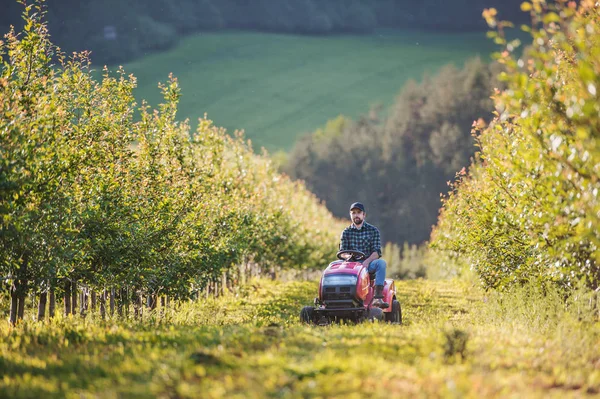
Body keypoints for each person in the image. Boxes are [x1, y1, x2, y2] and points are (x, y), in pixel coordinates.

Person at [339, 202, 388, 308]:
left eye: (358, 213)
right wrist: (349, 258)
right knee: (333, 266)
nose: (356, 215)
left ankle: (378, 297)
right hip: (351, 265)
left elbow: (376, 252)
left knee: (381, 263)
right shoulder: (346, 232)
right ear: (350, 215)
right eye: (353, 213)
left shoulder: (373, 231)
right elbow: (342, 252)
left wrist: (366, 262)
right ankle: (336, 297)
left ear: (364, 215)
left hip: (367, 264)